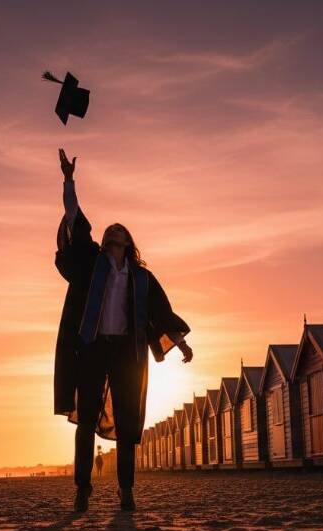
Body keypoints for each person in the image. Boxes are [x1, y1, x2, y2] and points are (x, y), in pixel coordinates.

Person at [53, 148, 193, 512]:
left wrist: (180, 344)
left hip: (126, 355)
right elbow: (75, 219)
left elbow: (161, 314)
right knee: (85, 420)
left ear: (129, 241)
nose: (113, 230)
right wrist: (69, 181)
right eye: (110, 229)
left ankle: (126, 489)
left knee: (128, 424)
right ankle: (82, 488)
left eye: (120, 229)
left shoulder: (141, 278)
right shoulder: (91, 264)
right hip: (92, 348)